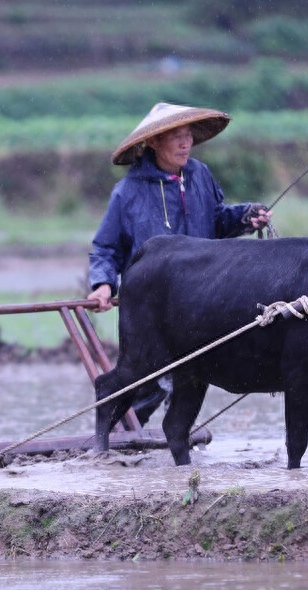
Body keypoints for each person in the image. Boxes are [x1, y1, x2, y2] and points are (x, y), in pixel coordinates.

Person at [86, 102, 272, 423]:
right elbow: (106, 247)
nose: (186, 143)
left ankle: (158, 441)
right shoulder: (127, 192)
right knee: (148, 377)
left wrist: (245, 217)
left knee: (189, 375)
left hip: (197, 302)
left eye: (188, 136)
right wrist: (102, 284)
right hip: (152, 304)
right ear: (155, 142)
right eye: (176, 137)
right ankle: (122, 435)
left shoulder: (200, 175)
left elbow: (217, 220)